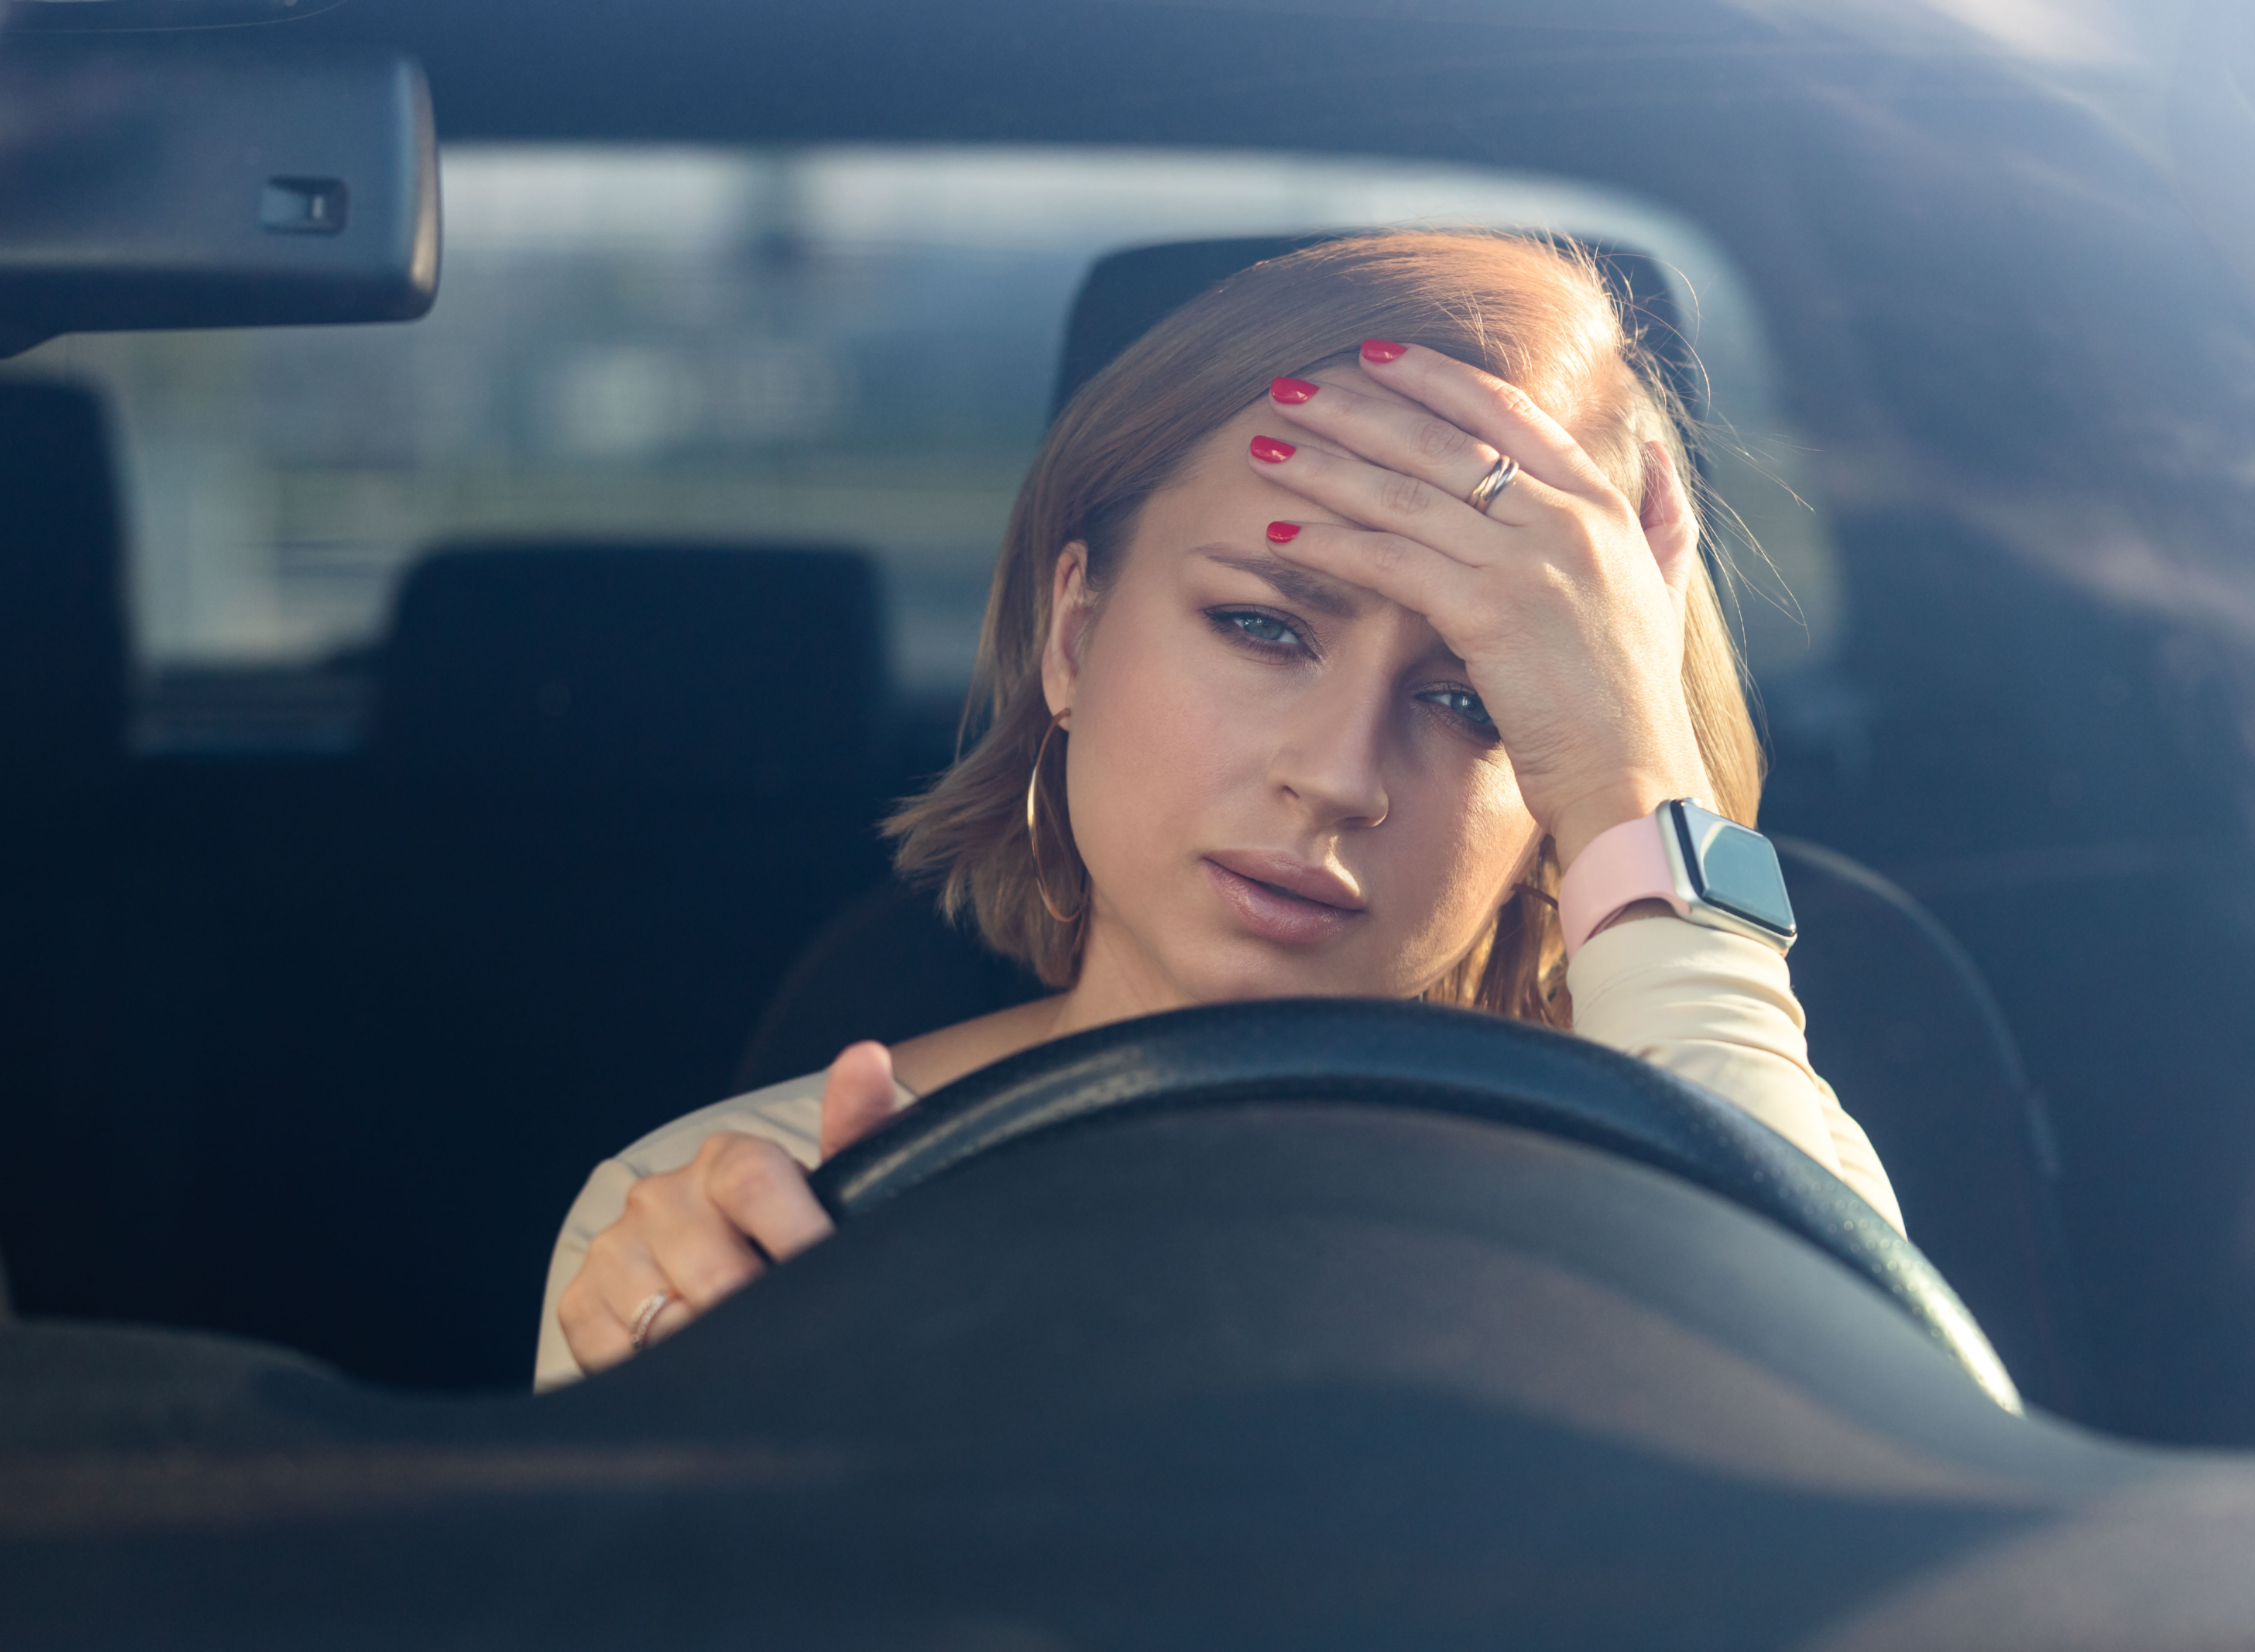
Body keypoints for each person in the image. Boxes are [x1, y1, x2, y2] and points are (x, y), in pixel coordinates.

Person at [533, 230, 1902, 1390]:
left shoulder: (1707, 1191)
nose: (1340, 775)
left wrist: (1641, 786)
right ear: (1072, 633)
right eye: (1260, 625)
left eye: (1476, 701)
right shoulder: (718, 1219)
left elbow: (1865, 1456)